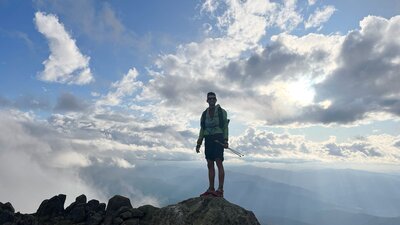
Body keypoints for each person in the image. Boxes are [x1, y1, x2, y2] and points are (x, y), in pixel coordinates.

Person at [196, 92, 229, 197]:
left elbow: (225, 127)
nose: (211, 100)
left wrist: (225, 140)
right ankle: (211, 188)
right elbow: (202, 129)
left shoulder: (221, 112)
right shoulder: (204, 114)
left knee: (219, 162)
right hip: (208, 139)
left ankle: (220, 189)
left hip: (218, 137)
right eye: (209, 99)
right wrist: (199, 143)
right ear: (207, 100)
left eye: (213, 99)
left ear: (216, 100)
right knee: (210, 164)